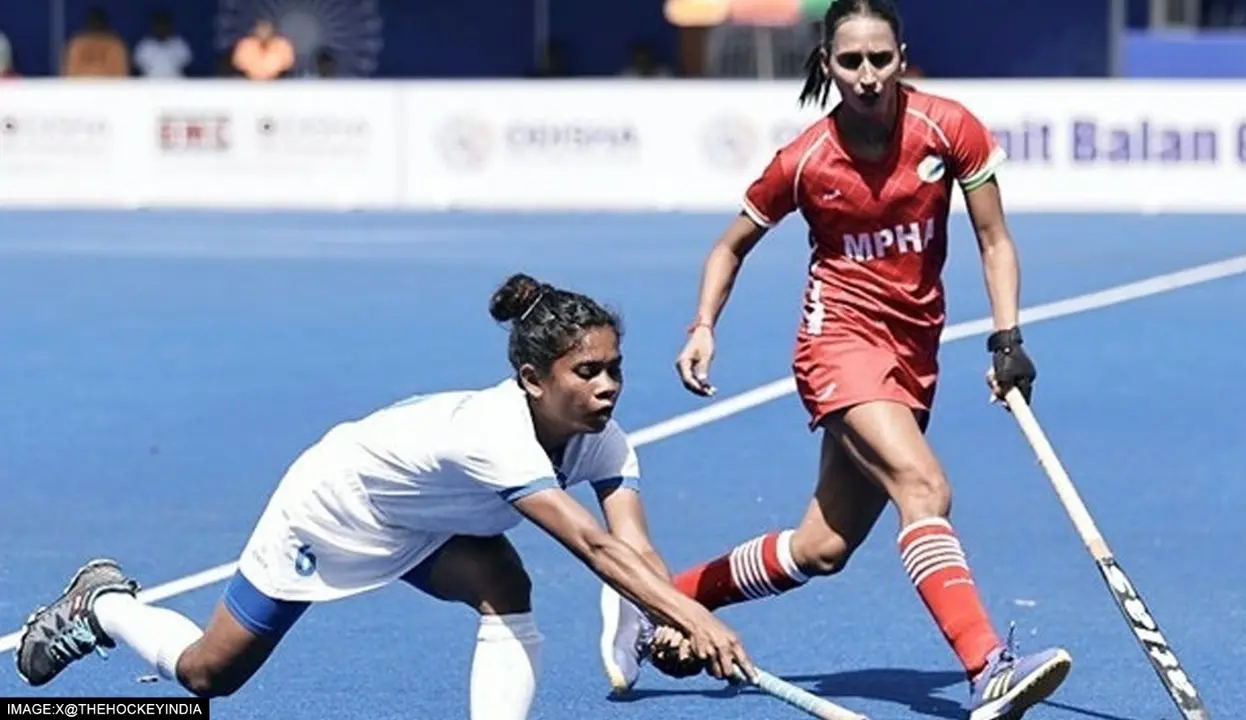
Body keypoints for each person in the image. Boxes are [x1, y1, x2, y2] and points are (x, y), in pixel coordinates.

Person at [598, 1, 1072, 718]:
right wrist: (704, 326)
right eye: (850, 61)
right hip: (838, 344)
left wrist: (1009, 339)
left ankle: (662, 599)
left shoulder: (949, 128)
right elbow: (730, 245)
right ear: (828, 65)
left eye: (880, 59)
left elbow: (994, 241)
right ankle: (987, 667)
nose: (868, 75)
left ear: (900, 55)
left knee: (821, 548)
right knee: (924, 487)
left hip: (913, 350)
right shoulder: (806, 160)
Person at [15, 273, 755, 718]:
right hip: (337, 506)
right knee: (212, 675)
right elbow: (591, 547)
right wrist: (694, 615)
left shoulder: (605, 439)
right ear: (534, 380)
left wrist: (671, 618)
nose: (608, 386)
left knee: (503, 581)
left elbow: (634, 547)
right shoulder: (495, 434)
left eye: (613, 368)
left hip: (426, 526)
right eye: (586, 372)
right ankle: (102, 605)